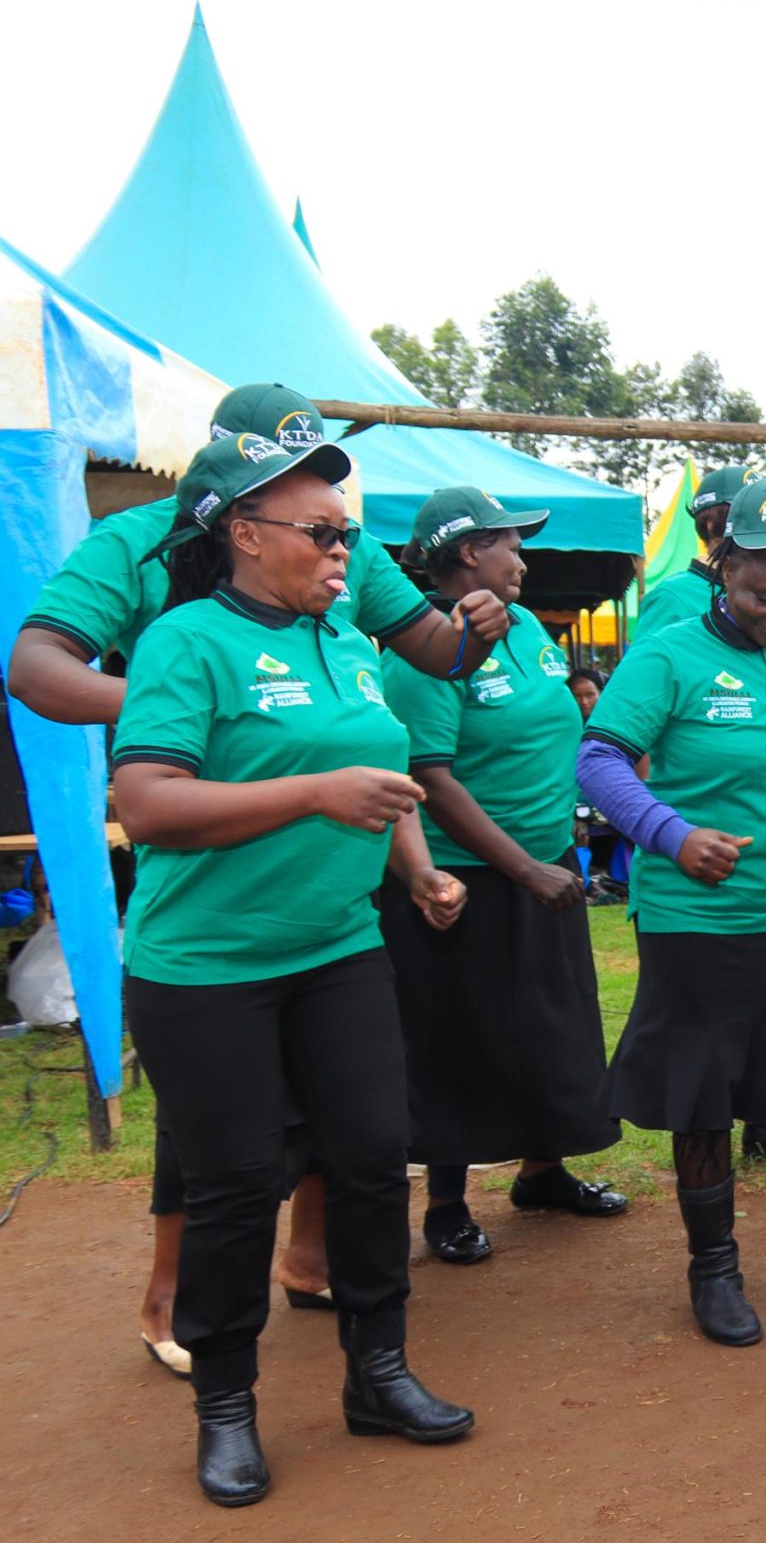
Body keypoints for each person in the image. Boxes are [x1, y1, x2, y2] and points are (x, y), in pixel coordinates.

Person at [7, 381, 505, 1377]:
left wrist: (475, 628)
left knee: (353, 1114)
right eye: (292, 480)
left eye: (325, 486)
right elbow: (34, 666)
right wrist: (191, 706)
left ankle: (314, 1262)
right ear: (232, 498)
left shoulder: (335, 554)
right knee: (222, 1133)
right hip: (213, 877)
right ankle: (171, 1299)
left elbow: (430, 656)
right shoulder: (140, 546)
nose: (334, 538)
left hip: (331, 887)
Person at [115, 432, 478, 1506]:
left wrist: (416, 868)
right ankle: (225, 1405)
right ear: (244, 533)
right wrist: (314, 796)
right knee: (234, 1189)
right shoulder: (187, 641)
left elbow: (377, 772)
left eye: (347, 535)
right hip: (206, 968)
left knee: (370, 1160)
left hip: (337, 947)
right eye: (321, 533)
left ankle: (379, 1373)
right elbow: (148, 804)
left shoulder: (349, 644)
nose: (342, 552)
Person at [577, 478, 766, 1346]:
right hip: (696, 921)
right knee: (704, 1098)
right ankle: (713, 1268)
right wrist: (672, 836)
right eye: (762, 595)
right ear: (724, 565)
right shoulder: (669, 656)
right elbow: (598, 760)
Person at [380, 488, 626, 1267]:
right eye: (508, 544)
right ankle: (445, 1203)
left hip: (546, 861)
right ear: (465, 551)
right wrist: (520, 868)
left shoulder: (525, 629)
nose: (522, 558)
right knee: (461, 1035)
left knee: (550, 1025)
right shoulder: (427, 648)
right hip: (462, 880)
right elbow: (429, 776)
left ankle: (542, 1171)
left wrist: (554, 853)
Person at [631, 465, 749, 643]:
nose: (759, 526)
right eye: (744, 516)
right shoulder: (672, 598)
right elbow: (646, 659)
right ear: (710, 523)